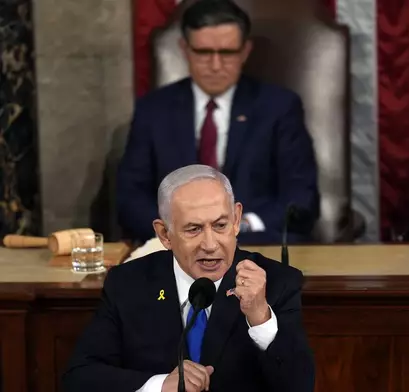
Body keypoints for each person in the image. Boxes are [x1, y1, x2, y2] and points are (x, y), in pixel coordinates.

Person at [63, 165, 315, 392]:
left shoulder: (277, 282)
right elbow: (80, 378)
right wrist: (159, 386)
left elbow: (299, 386)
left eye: (220, 226)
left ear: (237, 220)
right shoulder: (128, 284)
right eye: (193, 229)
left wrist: (260, 317)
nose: (209, 244)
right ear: (164, 234)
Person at [117, 0, 319, 245]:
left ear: (245, 51)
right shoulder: (154, 110)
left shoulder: (279, 107)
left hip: (258, 247)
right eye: (203, 52)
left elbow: (301, 198)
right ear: (185, 50)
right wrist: (181, 233)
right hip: (175, 253)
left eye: (226, 53)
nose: (215, 65)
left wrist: (241, 226)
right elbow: (130, 197)